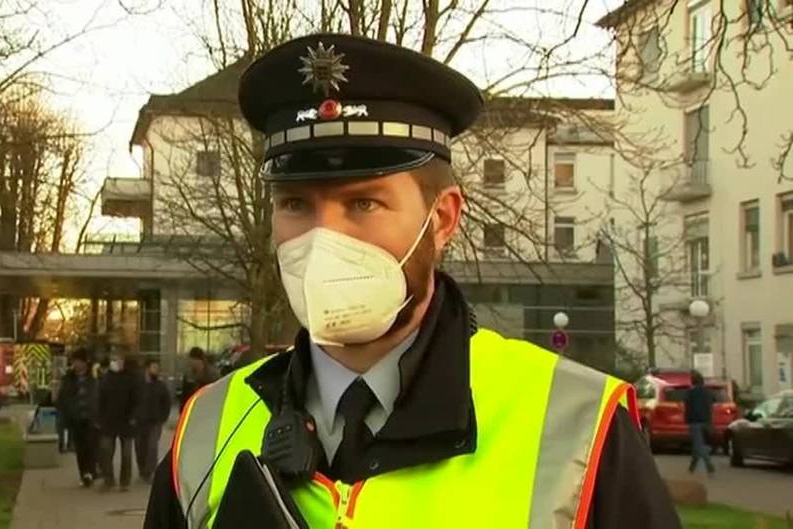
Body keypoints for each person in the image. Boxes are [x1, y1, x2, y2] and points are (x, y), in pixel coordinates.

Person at [145, 34, 680, 529]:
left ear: (443, 219)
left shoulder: (579, 428)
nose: (322, 240)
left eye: (363, 202)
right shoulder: (207, 428)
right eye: (295, 204)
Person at [98, 353, 141, 491]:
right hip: (108, 420)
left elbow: (137, 399)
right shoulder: (106, 378)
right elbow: (100, 399)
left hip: (127, 421)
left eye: (118, 359)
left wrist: (134, 416)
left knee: (126, 454)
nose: (115, 362)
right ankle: (108, 479)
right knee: (105, 451)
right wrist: (99, 417)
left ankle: (125, 482)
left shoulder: (131, 378)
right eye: (113, 360)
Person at [57, 348, 100, 487]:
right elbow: (62, 398)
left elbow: (99, 396)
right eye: (74, 361)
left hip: (91, 419)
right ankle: (84, 473)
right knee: (80, 449)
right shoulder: (68, 379)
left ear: (85, 363)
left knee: (92, 447)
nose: (76, 364)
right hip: (76, 420)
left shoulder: (93, 377)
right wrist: (65, 414)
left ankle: (91, 471)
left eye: (78, 362)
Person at [136, 358, 172, 483]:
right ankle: (142, 469)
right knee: (140, 447)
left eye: (157, 368)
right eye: (154, 368)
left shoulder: (160, 386)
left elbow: (167, 402)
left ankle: (149, 472)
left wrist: (163, 417)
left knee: (152, 446)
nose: (156, 371)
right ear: (147, 369)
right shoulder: (138, 384)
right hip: (140, 421)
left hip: (155, 421)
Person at [684, 370, 715, 477]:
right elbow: (711, 405)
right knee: (697, 446)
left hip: (694, 421)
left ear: (693, 382)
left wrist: (686, 420)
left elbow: (687, 407)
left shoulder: (690, 393)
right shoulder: (708, 392)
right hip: (706, 421)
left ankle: (709, 464)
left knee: (698, 445)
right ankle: (691, 468)